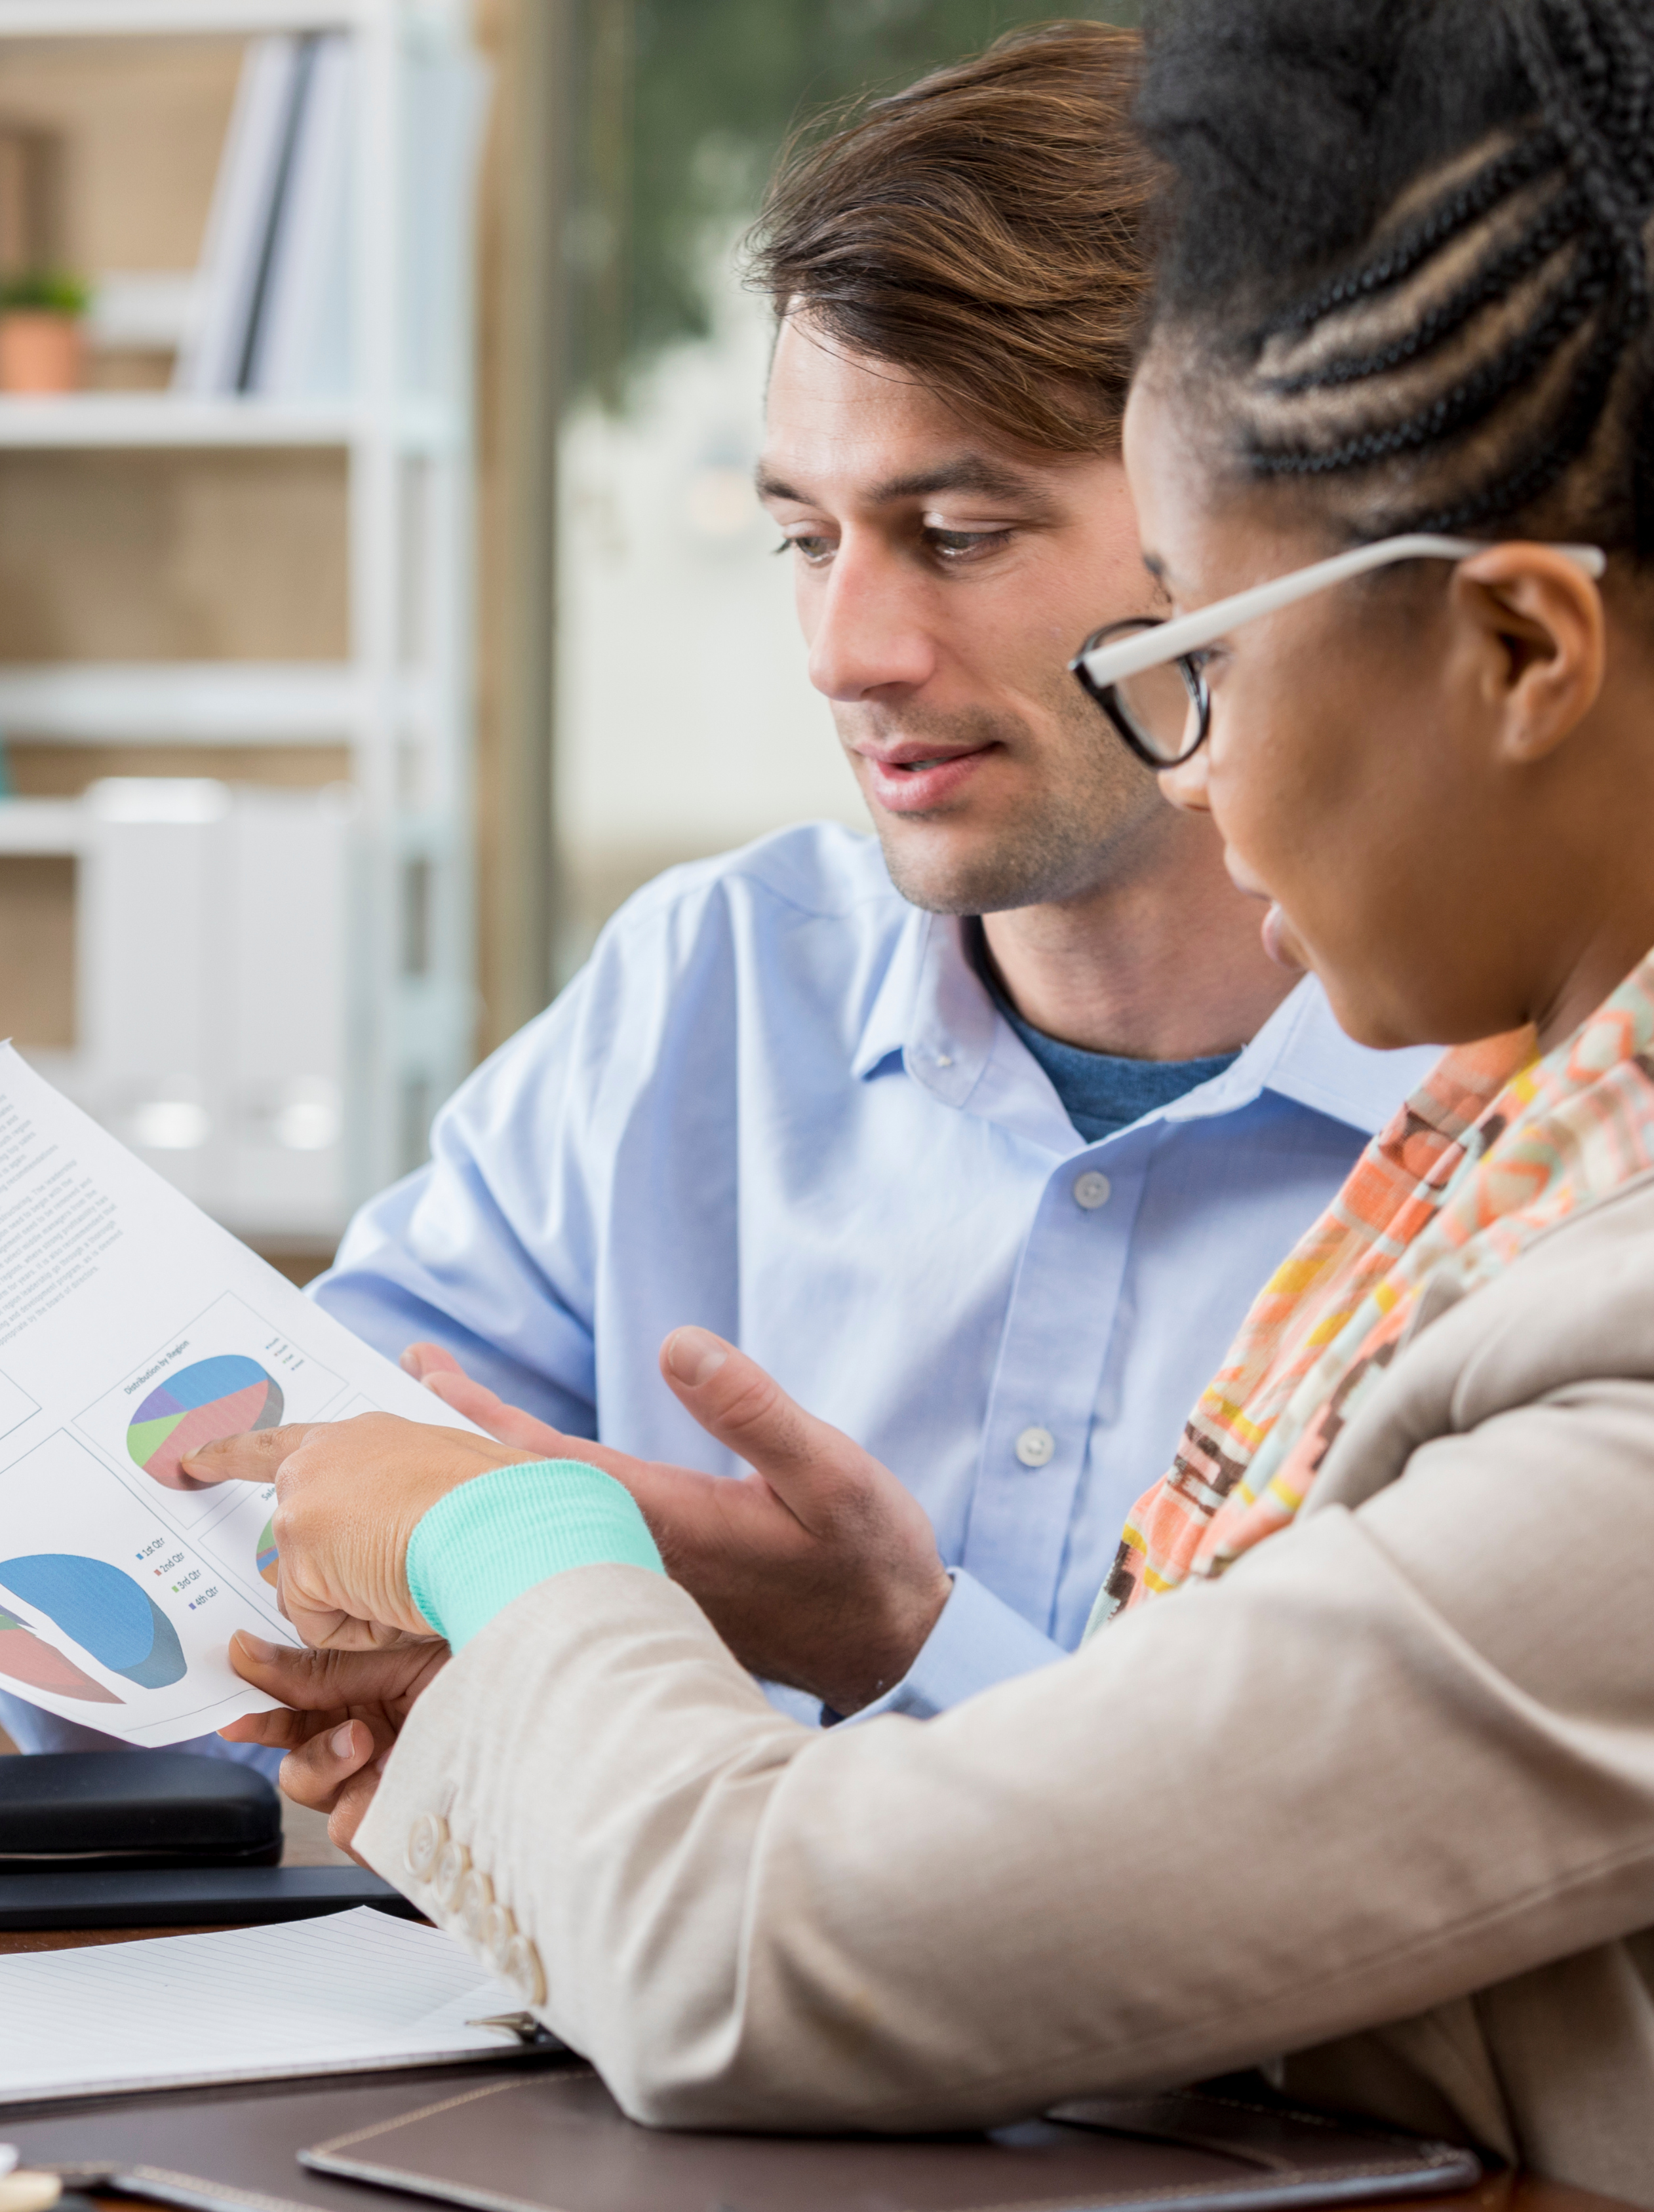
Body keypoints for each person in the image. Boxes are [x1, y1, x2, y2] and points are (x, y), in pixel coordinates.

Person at [191, 0, 1654, 2198]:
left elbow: (758, 1952)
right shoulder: (1501, 1159)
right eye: (802, 537)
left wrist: (505, 1544)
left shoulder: (1597, 1313)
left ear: (1525, 653)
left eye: (1201, 655)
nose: (1190, 760)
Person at [0, 24, 1425, 1753]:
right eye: (805, 538)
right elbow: (210, 1627)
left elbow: (1406, 1879)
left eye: (958, 535)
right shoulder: (710, 990)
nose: (844, 651)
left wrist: (892, 1647)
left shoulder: (1520, 1142)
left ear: (1256, 529)